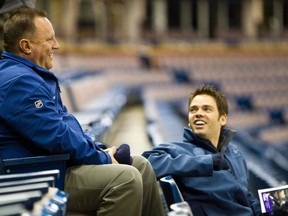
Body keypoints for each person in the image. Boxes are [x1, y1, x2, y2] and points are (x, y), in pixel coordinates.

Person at [0, 7, 165, 216]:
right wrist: (102, 158)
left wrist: (99, 150)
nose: (56, 45)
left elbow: (67, 126)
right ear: (26, 46)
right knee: (126, 179)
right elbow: (57, 136)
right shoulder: (19, 82)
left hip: (55, 164)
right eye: (49, 40)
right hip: (36, 175)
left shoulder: (32, 76)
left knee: (141, 165)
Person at [142, 85, 261, 216]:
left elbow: (244, 197)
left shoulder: (235, 153)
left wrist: (267, 210)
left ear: (222, 119)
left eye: (206, 109)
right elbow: (147, 162)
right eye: (193, 110)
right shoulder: (178, 150)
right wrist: (206, 163)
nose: (198, 113)